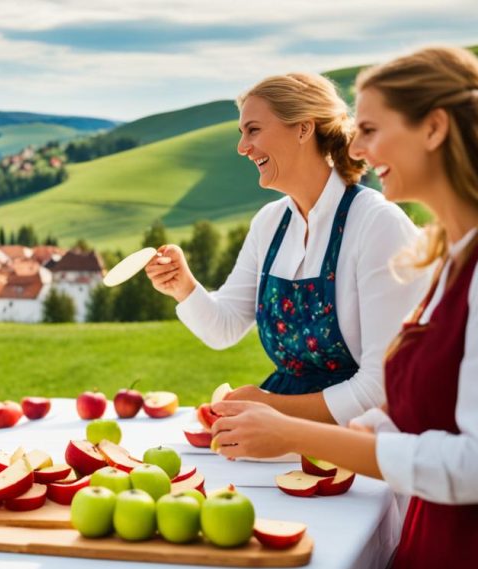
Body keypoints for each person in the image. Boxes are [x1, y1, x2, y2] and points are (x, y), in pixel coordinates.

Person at [210, 47, 478, 569]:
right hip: (440, 541)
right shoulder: (457, 251)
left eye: (372, 129)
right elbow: (430, 403)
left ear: (434, 128)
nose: (354, 146)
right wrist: (361, 424)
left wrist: (297, 431)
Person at [145, 73, 427, 425]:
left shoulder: (376, 223)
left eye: (254, 130)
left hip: (360, 438)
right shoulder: (270, 223)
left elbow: (381, 388)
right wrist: (182, 286)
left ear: (304, 129)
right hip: (278, 434)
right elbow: (224, 328)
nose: (242, 147)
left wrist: (272, 410)